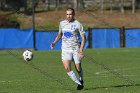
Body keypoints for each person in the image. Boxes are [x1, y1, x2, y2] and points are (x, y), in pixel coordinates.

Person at [50, 8, 86, 90]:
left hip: (75, 48)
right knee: (67, 68)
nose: (68, 16)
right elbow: (59, 34)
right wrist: (54, 42)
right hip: (65, 49)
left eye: (70, 14)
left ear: (73, 14)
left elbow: (84, 38)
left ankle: (81, 79)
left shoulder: (78, 24)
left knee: (78, 68)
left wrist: (81, 50)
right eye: (67, 14)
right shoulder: (62, 23)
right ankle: (79, 84)